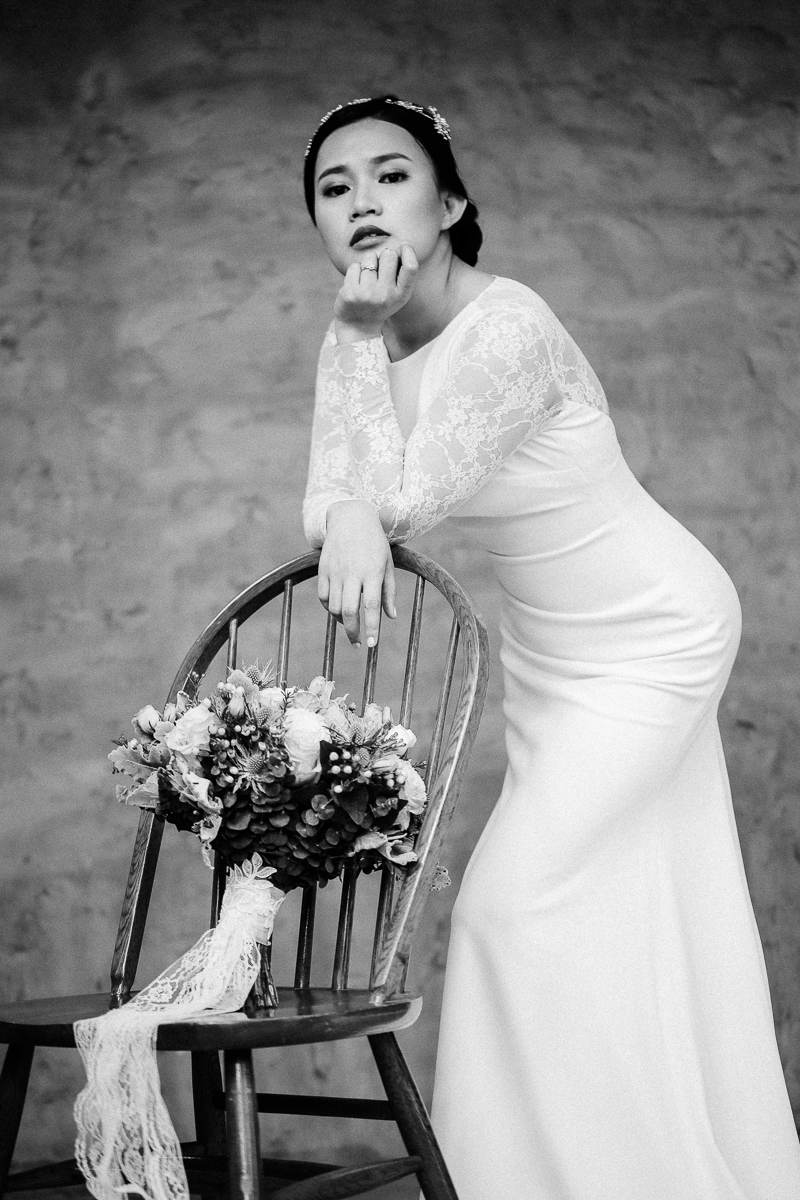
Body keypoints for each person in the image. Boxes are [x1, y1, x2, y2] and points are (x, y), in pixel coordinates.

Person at [301, 94, 800, 1199]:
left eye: (390, 175)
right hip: (550, 663)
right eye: (334, 189)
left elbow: (400, 500)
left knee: (507, 909)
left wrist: (353, 434)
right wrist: (347, 474)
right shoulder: (363, 342)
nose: (361, 201)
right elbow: (328, 501)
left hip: (652, 634)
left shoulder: (507, 326)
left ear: (451, 204)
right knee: (615, 919)